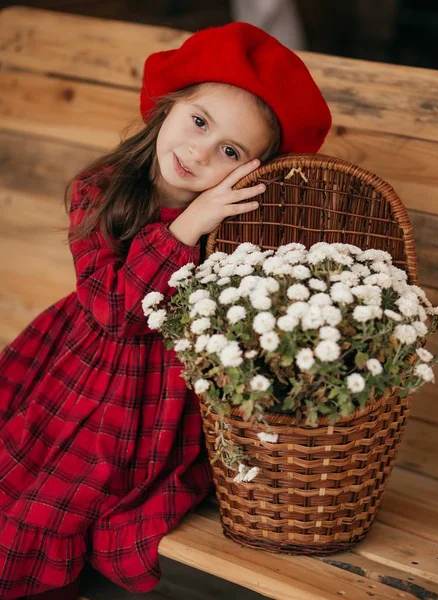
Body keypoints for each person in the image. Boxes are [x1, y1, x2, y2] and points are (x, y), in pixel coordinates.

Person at [0, 21, 331, 600]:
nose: (200, 151)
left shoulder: (245, 228)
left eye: (230, 150)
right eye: (199, 121)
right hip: (79, 371)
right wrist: (186, 227)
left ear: (251, 172)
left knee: (76, 501)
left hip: (164, 398)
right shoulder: (99, 187)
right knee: (26, 500)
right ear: (168, 108)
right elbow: (113, 312)